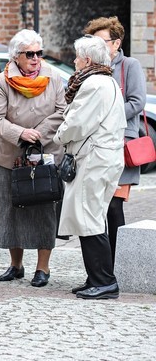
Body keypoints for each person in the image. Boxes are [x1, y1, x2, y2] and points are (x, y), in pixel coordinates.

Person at [0, 29, 65, 287]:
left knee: (45, 211)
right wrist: (20, 133)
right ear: (16, 56)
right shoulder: (3, 80)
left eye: (39, 53)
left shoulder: (53, 76)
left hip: (44, 153)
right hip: (11, 155)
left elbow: (62, 111)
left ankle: (43, 268)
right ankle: (16, 264)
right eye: (29, 54)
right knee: (11, 210)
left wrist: (37, 133)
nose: (35, 58)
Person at [54, 35, 126, 299]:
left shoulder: (94, 84)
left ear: (87, 59)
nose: (74, 61)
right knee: (92, 217)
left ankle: (104, 281)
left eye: (76, 57)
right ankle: (96, 277)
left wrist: (59, 135)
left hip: (94, 159)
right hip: (102, 158)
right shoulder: (107, 81)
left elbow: (77, 123)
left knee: (89, 218)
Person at [83, 16, 147, 264]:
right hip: (95, 147)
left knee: (113, 207)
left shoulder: (130, 65)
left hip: (121, 146)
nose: (95, 47)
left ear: (116, 43)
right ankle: (101, 269)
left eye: (100, 42)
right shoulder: (90, 67)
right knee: (95, 210)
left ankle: (116, 266)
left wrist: (108, 115)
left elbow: (137, 102)